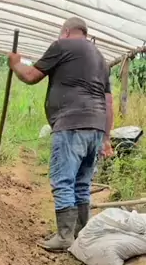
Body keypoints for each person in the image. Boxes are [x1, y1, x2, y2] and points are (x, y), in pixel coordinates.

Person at [9, 17, 113, 251]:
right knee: (82, 183)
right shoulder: (100, 57)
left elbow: (31, 76)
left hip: (71, 124)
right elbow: (108, 101)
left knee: (63, 181)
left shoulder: (62, 45)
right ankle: (81, 234)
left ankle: (65, 237)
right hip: (96, 127)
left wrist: (15, 64)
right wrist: (106, 137)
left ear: (65, 32)